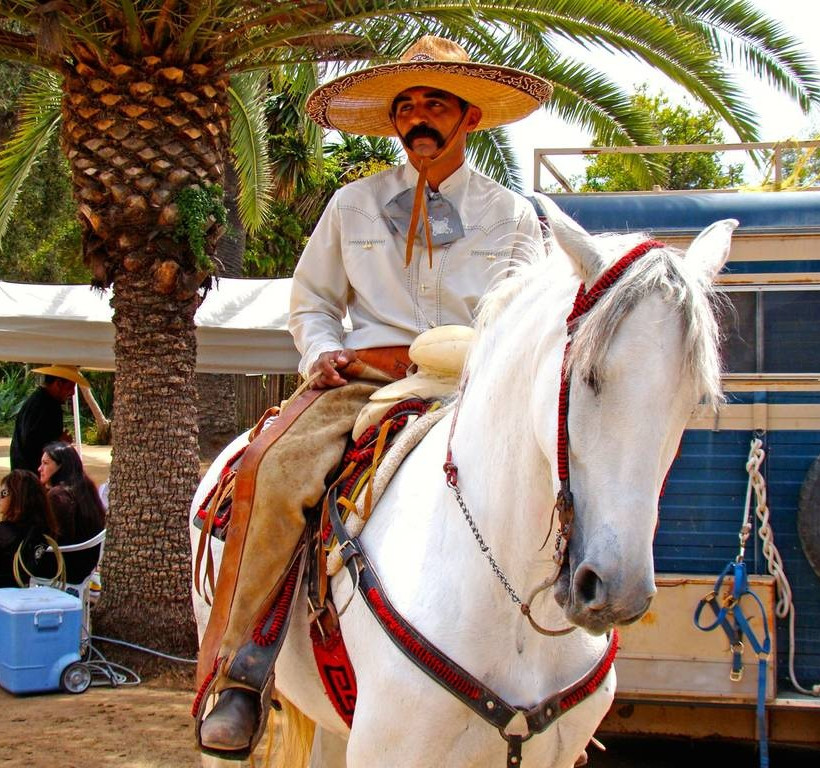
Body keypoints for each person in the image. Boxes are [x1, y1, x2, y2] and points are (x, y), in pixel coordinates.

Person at [196, 35, 552, 758]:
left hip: (472, 385)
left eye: (436, 103)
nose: (419, 116)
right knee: (275, 469)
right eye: (408, 105)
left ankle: (570, 673)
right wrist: (323, 352)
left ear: (469, 117)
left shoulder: (513, 215)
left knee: (563, 472)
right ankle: (244, 671)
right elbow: (314, 300)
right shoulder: (354, 204)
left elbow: (529, 314)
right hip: (362, 380)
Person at [38, 441, 105, 585]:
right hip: (84, 562)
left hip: (66, 565)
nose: (40, 468)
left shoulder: (59, 496)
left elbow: (54, 537)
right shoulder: (85, 487)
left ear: (61, 466)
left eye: (45, 463)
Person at [10, 365, 89, 473]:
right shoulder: (44, 405)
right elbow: (31, 444)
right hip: (31, 476)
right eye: (70, 387)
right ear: (58, 384)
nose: (72, 393)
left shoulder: (41, 401)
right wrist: (59, 443)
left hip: (27, 474)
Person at [0, 469, 60, 588]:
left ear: (18, 497)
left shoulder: (5, 533)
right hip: (19, 590)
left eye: (4, 493)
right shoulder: (45, 530)